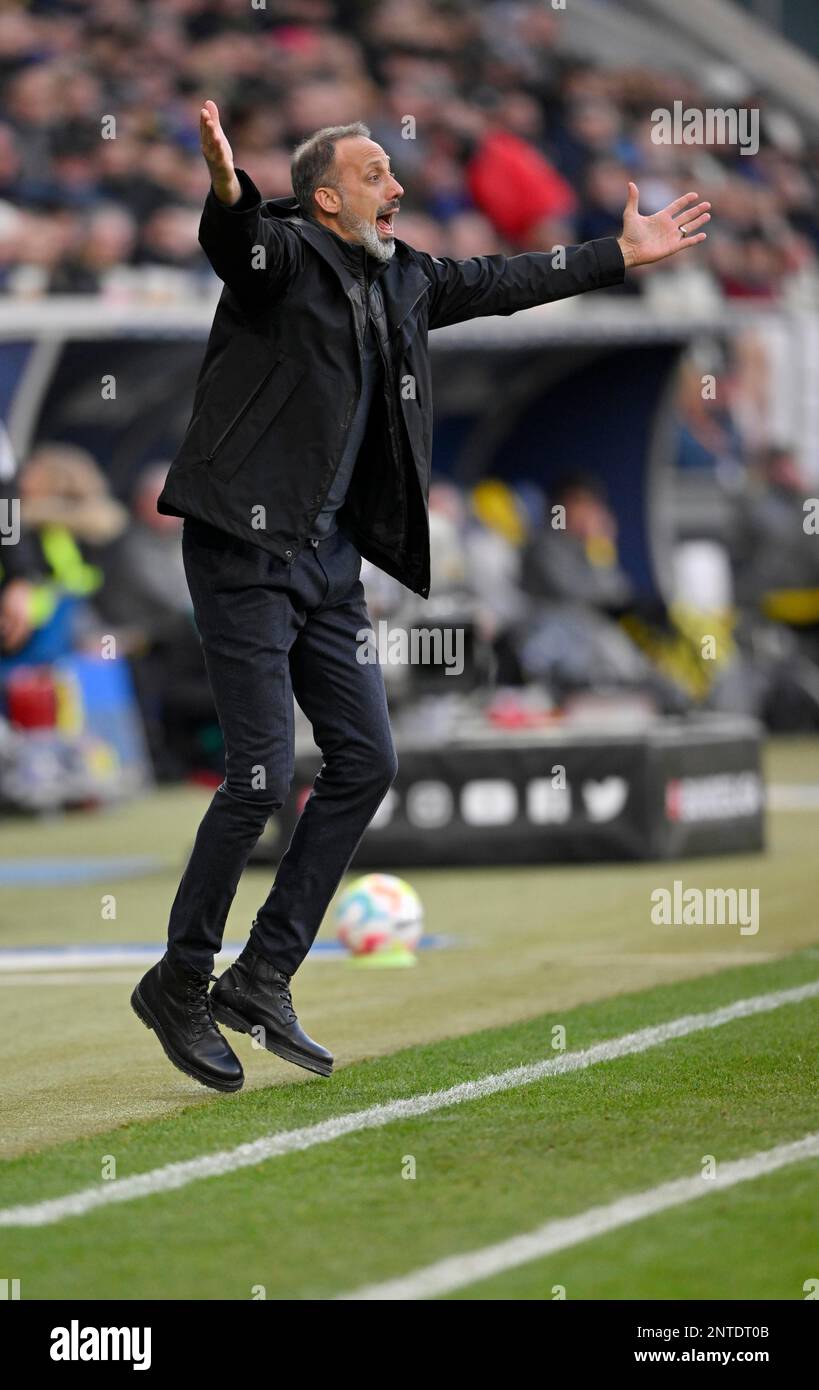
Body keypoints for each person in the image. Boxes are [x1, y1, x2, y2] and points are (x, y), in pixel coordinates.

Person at [132, 100, 711, 1093]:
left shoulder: (404, 278)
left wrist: (619, 253)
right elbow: (237, 239)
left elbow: (505, 282)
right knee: (263, 778)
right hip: (245, 552)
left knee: (368, 760)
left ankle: (262, 973)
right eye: (372, 175)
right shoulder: (281, 258)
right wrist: (225, 187)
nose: (395, 188)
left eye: (392, 175)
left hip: (331, 565)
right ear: (324, 196)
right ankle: (180, 979)